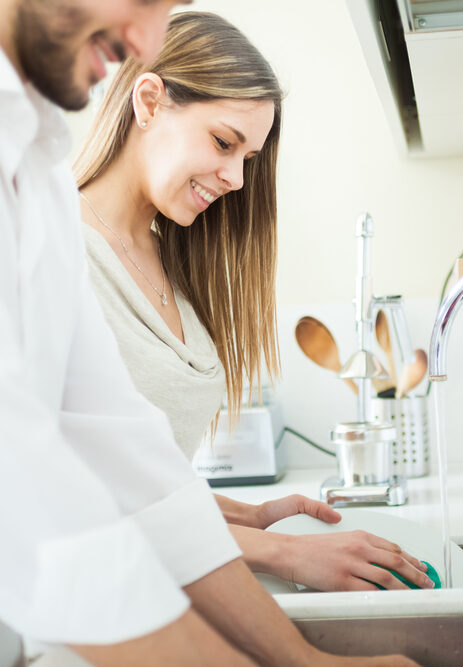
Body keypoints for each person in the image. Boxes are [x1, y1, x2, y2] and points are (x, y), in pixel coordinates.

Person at [0, 1, 421, 665]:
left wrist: (296, 652)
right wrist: (281, 562)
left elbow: (135, 465)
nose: (237, 178)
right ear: (148, 102)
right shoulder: (59, 224)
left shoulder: (43, 182)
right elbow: (43, 500)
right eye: (225, 143)